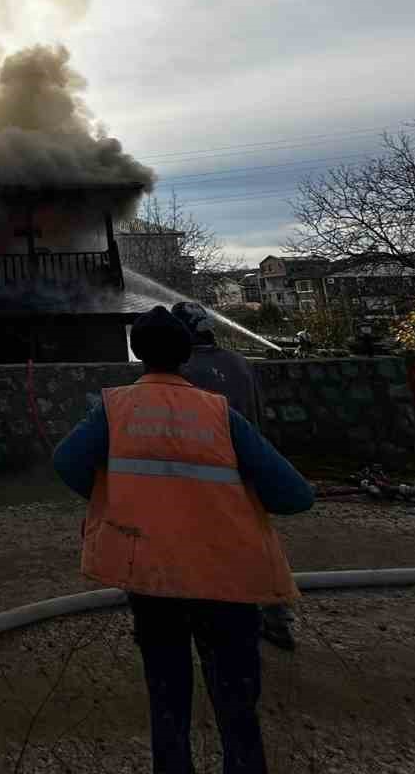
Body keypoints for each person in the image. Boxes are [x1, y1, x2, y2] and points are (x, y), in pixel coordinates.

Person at [54, 306, 314, 774]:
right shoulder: (220, 414)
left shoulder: (113, 409)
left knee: (166, 692)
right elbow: (294, 495)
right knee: (236, 699)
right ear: (186, 353)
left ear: (138, 355)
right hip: (227, 574)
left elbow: (68, 462)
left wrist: (116, 499)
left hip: (151, 574)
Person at [172, 301, 296, 652]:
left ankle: (217, 621)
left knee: (205, 551)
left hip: (201, 478)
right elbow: (258, 418)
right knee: (257, 545)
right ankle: (276, 619)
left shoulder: (183, 371)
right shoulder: (239, 364)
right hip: (245, 471)